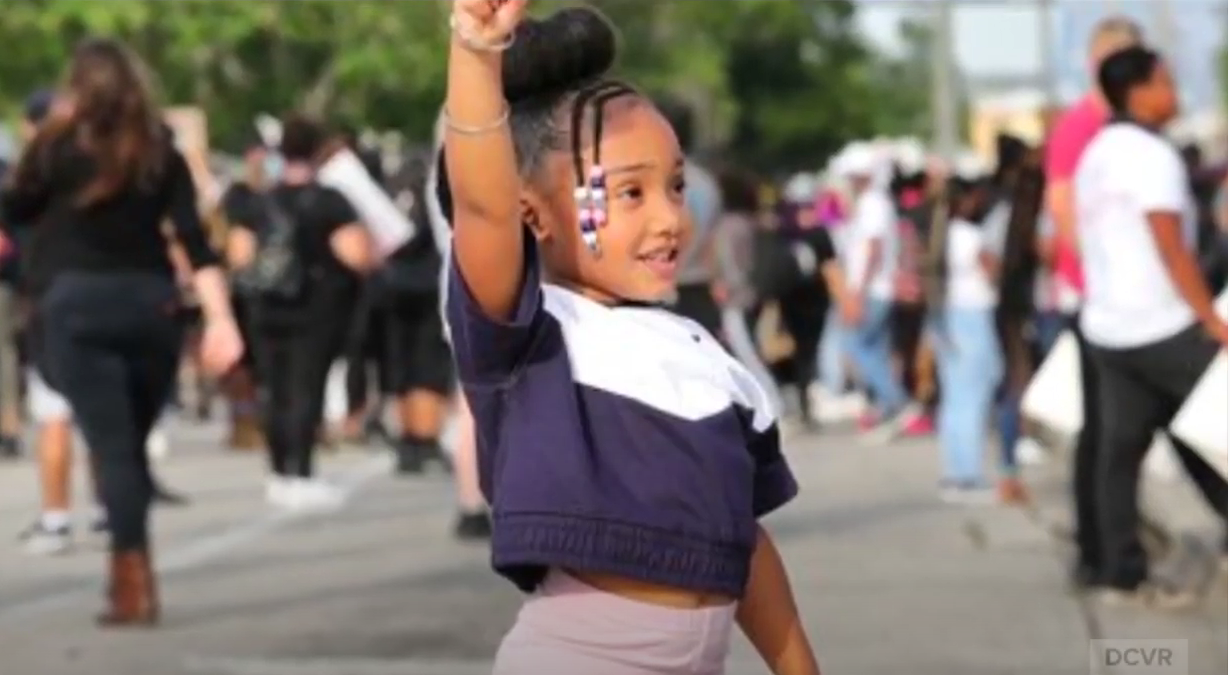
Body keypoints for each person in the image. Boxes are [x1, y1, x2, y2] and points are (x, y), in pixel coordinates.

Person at [441, 2, 819, 673]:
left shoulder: (705, 358)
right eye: (630, 193)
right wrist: (476, 50)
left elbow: (742, 535)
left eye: (675, 186)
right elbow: (481, 203)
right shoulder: (529, 331)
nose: (671, 217)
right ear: (534, 215)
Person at [0, 39, 243, 626]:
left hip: (74, 309)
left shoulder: (55, 147)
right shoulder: (160, 149)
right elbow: (195, 239)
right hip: (150, 309)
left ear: (76, 87)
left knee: (112, 447)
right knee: (126, 445)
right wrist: (221, 319)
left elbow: (14, 210)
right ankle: (128, 571)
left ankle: (132, 580)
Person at [1074, 45, 1227, 607]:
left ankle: (1120, 571)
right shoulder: (1151, 155)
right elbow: (1168, 241)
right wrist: (1210, 318)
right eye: (1166, 82)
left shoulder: (1097, 155)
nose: (1175, 93)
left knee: (1125, 449)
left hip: (1111, 326)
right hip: (1163, 322)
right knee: (1211, 425)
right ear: (1137, 91)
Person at [227, 114, 373, 511]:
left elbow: (238, 256)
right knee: (306, 388)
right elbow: (358, 254)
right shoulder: (330, 201)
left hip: (265, 309)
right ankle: (302, 471)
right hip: (316, 308)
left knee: (273, 390)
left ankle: (277, 472)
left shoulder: (259, 201)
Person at [1042, 15, 1141, 589]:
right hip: (1098, 299)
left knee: (1119, 426)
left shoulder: (1124, 127)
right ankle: (1099, 550)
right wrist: (1098, 277)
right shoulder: (1083, 127)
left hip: (1126, 299)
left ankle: (1109, 550)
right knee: (1104, 428)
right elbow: (1063, 208)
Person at [836, 142, 924, 439]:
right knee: (877, 347)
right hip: (877, 287)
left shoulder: (873, 204)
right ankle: (887, 405)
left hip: (872, 288)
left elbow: (872, 250)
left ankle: (896, 401)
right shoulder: (876, 203)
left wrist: (857, 292)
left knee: (857, 344)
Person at [932, 158, 1003, 504]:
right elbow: (993, 273)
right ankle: (970, 475)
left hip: (947, 316)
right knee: (974, 395)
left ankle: (955, 471)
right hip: (973, 314)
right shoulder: (971, 236)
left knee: (955, 398)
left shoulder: (941, 236)